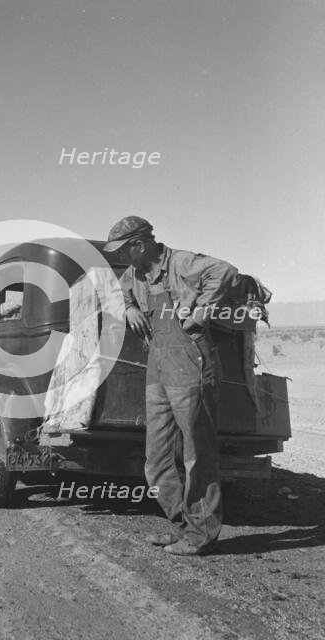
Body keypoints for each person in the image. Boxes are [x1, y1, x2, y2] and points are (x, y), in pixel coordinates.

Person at [103, 216, 237, 555]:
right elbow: (116, 292)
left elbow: (225, 271)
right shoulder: (134, 275)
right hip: (158, 366)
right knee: (157, 457)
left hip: (190, 363)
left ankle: (201, 533)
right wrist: (130, 307)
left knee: (197, 453)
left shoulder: (179, 263)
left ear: (140, 244)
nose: (122, 258)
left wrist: (200, 313)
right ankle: (182, 525)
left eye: (125, 250)